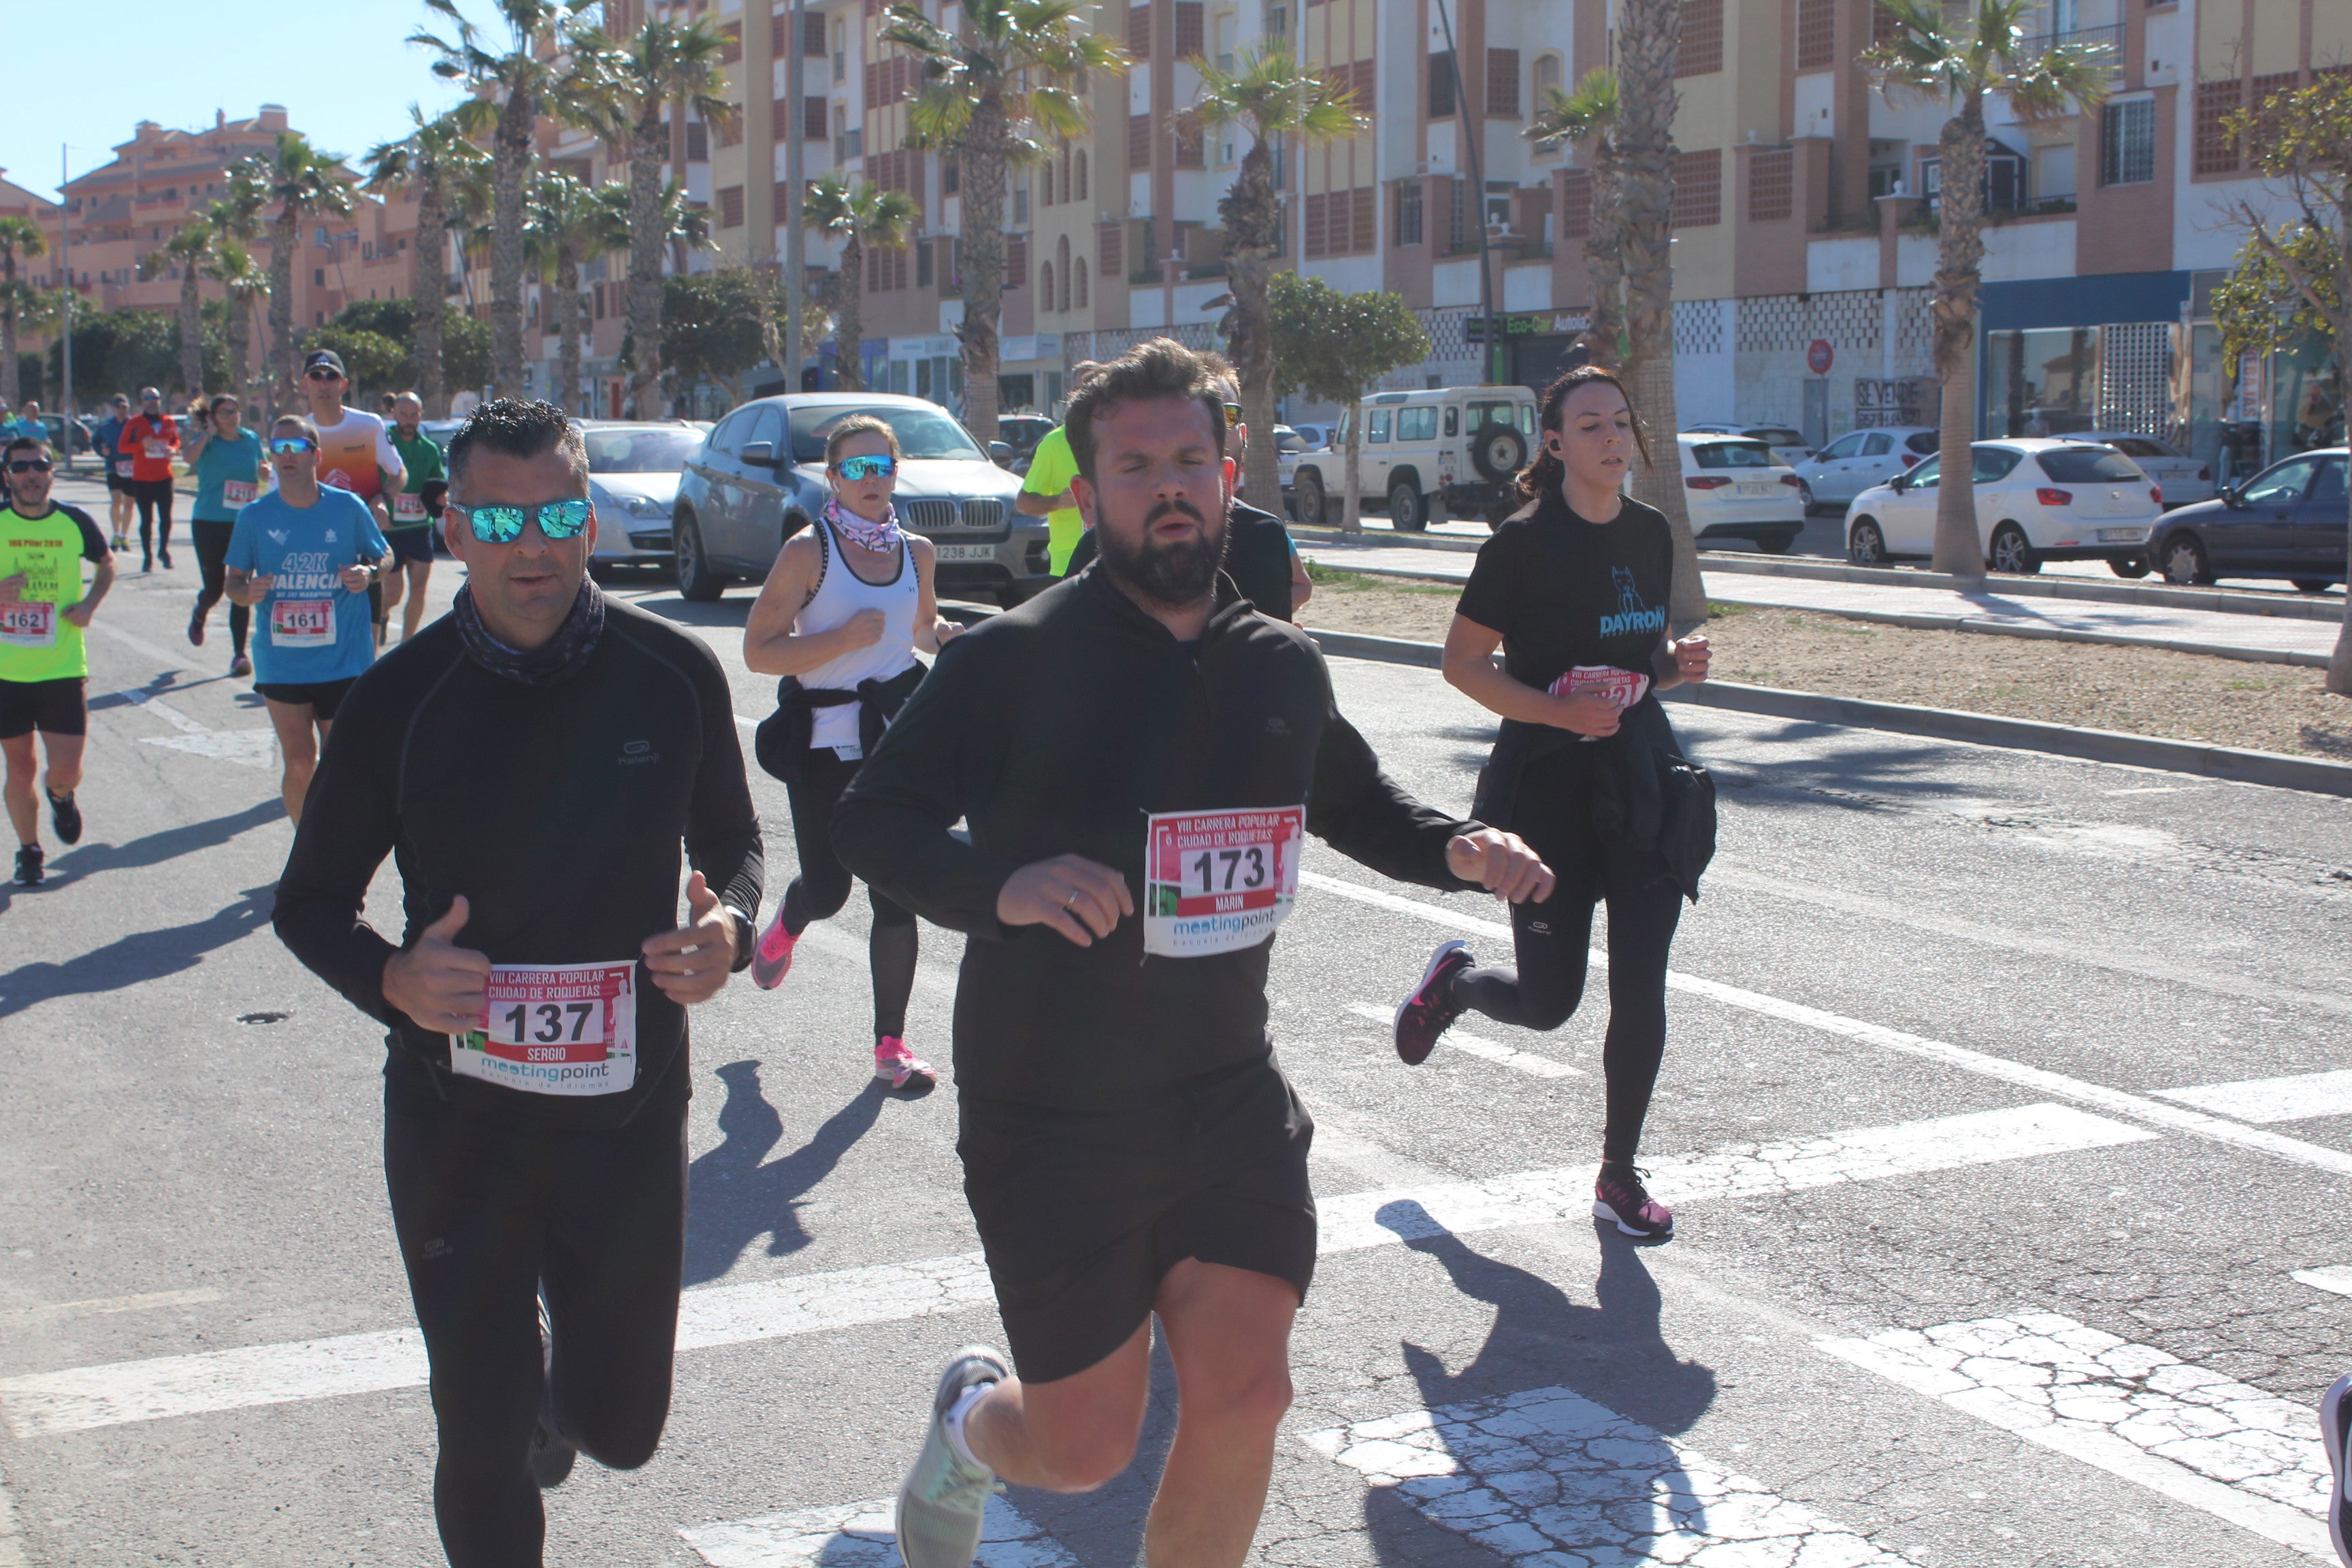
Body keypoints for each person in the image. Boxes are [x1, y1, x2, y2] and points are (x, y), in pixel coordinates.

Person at [831, 338, 1552, 1568]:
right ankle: (967, 1420)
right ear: (1093, 485)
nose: (1166, 483)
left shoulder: (1279, 660)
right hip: (1049, 1108)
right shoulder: (1014, 657)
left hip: (1223, 1091)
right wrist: (1004, 884)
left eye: (1188, 458)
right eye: (1133, 464)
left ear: (1227, 474)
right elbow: (873, 823)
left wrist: (1463, 848)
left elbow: (1358, 803)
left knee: (1245, 1394)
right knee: (1084, 1447)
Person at [272, 397, 762, 1568]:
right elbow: (307, 904)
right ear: (453, 529)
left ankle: (561, 1400)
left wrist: (729, 928)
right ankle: (507, 1402)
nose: (531, 543)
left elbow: (739, 848)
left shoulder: (673, 671)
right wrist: (394, 975)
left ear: (589, 519)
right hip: (460, 1122)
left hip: (626, 1112)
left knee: (622, 1427)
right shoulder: (401, 697)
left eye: (556, 513)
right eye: (499, 517)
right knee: (478, 1424)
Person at [1389, 365, 1714, 1243]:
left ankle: (1618, 1175)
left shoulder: (1650, 534)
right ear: (1556, 442)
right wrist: (1560, 712)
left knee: (1641, 986)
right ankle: (1454, 985)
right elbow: (1462, 665)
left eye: (1622, 422)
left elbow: (1638, 658)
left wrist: (1671, 664)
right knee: (1550, 1004)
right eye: (1592, 424)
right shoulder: (1520, 547)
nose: (1613, 438)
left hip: (1642, 783)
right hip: (1548, 793)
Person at [741, 414, 962, 1093]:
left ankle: (890, 1049)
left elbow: (918, 629)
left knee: (895, 894)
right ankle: (784, 926)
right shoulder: (810, 553)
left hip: (896, 739)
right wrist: (838, 641)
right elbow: (758, 650)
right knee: (831, 889)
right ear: (833, 478)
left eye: (883, 467)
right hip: (824, 742)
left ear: (896, 473)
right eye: (857, 469)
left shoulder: (916, 551)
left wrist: (944, 635)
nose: (873, 480)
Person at [225, 415, 389, 823]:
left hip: (343, 658)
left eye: (294, 447)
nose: (285, 456)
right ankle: (307, 858)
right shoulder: (254, 517)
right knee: (299, 762)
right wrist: (248, 593)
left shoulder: (347, 508)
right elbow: (232, 583)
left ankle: (337, 857)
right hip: (282, 660)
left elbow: (384, 556)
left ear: (316, 455)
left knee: (341, 766)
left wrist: (368, 574)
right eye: (276, 448)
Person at [1064, 369, 1311, 621]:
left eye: (1227, 414)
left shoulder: (1265, 534)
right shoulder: (1094, 551)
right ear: (1087, 498)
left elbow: (1298, 590)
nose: (1170, 485)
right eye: (1136, 467)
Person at [0, 436, 113, 887]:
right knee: (20, 765)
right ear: (7, 475)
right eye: (21, 467)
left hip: (62, 668)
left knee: (66, 769)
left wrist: (89, 605)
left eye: (39, 466)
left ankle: (61, 796)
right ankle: (29, 850)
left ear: (50, 472)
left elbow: (107, 563)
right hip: (6, 672)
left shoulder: (74, 521)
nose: (31, 474)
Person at [297, 349, 406, 633]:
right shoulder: (298, 433)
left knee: (367, 649)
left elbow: (398, 473)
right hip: (314, 551)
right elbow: (280, 492)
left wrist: (383, 498)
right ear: (304, 384)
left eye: (331, 376)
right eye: (316, 376)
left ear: (343, 385)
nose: (324, 383)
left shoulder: (368, 425)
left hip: (363, 547)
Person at [184, 394, 263, 677]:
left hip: (244, 523)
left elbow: (261, 469)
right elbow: (187, 458)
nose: (231, 417)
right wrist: (207, 433)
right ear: (213, 417)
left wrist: (265, 471)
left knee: (240, 587)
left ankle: (239, 654)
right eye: (224, 413)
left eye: (235, 411)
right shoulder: (206, 442)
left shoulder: (251, 440)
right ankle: (200, 611)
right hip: (209, 522)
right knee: (216, 589)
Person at [1015, 361, 1102, 578]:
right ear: (1073, 393)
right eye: (1084, 388)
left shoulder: (1119, 439)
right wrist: (1056, 502)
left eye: (1098, 388)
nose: (1091, 395)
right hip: (1068, 564)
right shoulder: (1054, 443)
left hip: (1114, 561)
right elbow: (1023, 502)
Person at [384, 391, 449, 644]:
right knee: (393, 593)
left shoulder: (430, 449)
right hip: (391, 528)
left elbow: (437, 485)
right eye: (404, 415)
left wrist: (441, 497)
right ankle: (383, 613)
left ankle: (406, 643)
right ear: (395, 414)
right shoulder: (385, 444)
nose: (409, 420)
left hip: (421, 526)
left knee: (419, 587)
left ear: (420, 415)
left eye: (414, 415)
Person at [118, 387, 180, 572]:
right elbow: (122, 447)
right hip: (143, 479)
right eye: (147, 398)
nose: (152, 401)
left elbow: (176, 440)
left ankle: (163, 550)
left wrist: (174, 449)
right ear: (142, 402)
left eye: (155, 398)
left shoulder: (168, 421)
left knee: (166, 519)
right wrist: (140, 446)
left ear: (160, 400)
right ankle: (148, 557)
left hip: (164, 477)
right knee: (147, 520)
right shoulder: (134, 423)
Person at [93, 395, 133, 551]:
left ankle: (124, 535)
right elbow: (95, 442)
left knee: (129, 503)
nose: (122, 411)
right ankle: (116, 533)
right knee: (117, 501)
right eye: (119, 408)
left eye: (125, 407)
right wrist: (102, 451)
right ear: (113, 409)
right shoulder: (106, 426)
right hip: (113, 466)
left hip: (131, 467)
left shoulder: (134, 424)